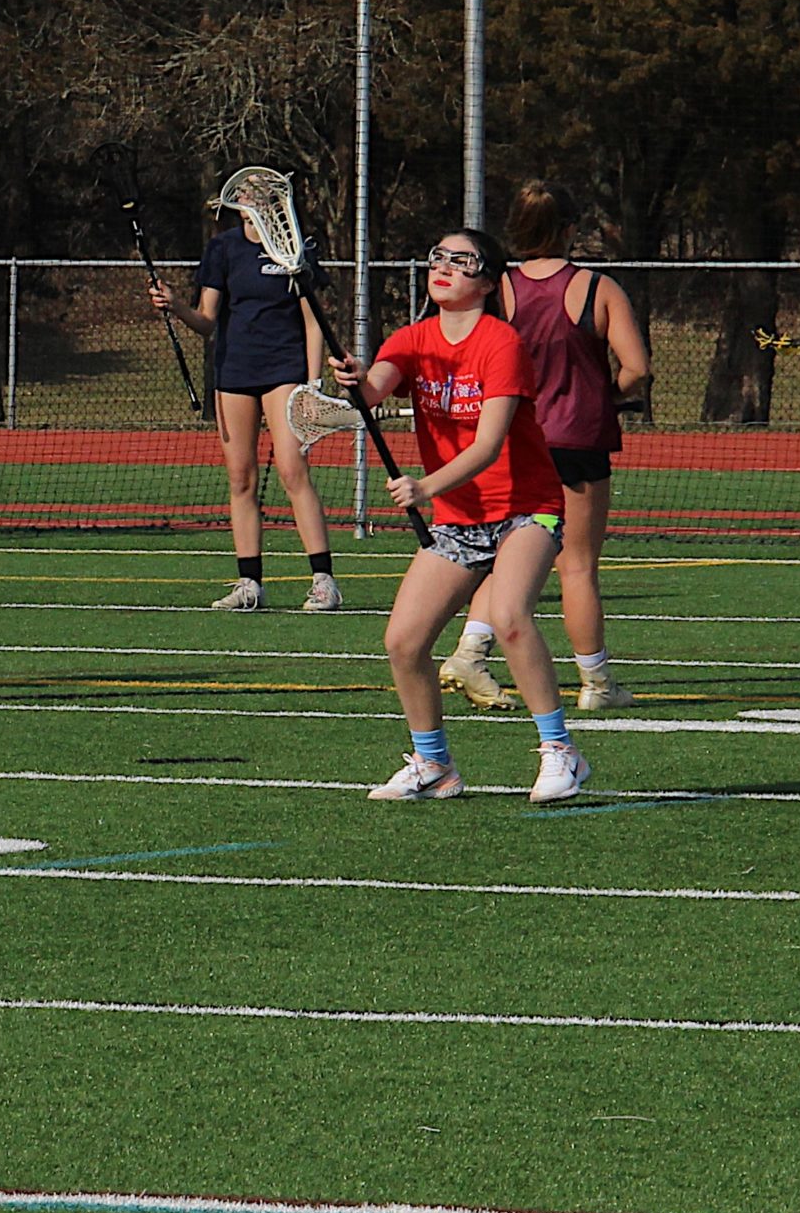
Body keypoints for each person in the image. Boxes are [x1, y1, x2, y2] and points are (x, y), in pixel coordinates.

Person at [336, 228, 590, 804]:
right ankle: (434, 765)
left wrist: (425, 486)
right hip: (458, 517)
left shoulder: (501, 343)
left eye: (462, 260)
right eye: (437, 257)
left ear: (487, 281)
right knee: (404, 641)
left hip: (526, 507)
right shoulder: (411, 338)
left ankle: (561, 752)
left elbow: (489, 445)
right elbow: (372, 391)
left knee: (509, 616)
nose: (444, 267)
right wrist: (352, 378)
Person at [438, 180, 652, 711]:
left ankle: (470, 649)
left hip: (510, 439)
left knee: (501, 557)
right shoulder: (597, 288)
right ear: (571, 230)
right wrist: (601, 396)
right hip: (578, 443)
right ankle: (597, 684)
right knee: (576, 566)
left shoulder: (497, 288)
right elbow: (638, 369)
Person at [149, 189, 340, 611]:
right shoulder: (223, 249)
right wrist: (176, 304)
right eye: (244, 194)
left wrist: (312, 383)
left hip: (285, 371)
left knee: (293, 470)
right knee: (241, 479)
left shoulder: (296, 248)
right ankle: (249, 584)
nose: (252, 201)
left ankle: (324, 581)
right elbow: (205, 321)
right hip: (235, 373)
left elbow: (313, 322)